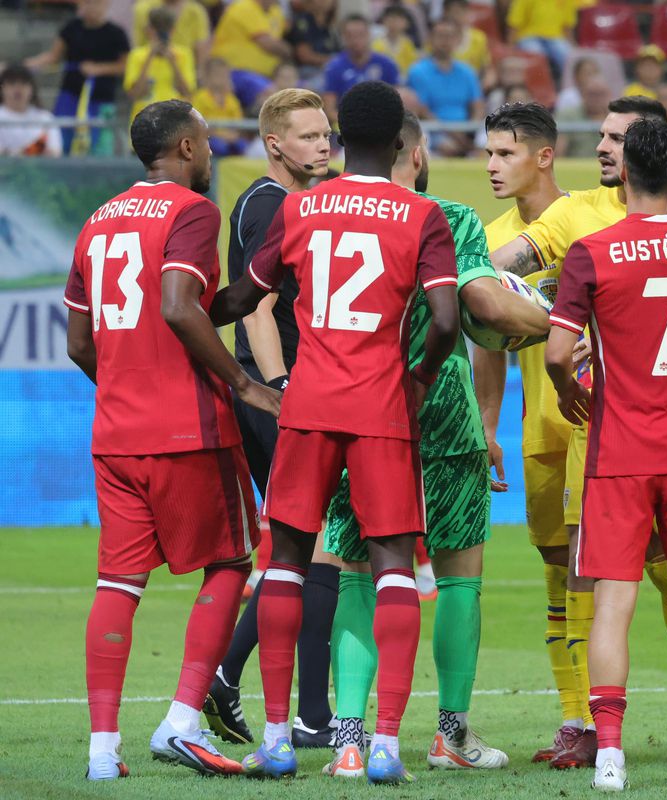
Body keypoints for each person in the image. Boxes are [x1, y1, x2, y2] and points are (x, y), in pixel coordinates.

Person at [208, 80, 459, 784]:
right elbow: (445, 321)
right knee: (393, 568)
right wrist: (415, 382)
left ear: (341, 134)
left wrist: (188, 315)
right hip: (381, 408)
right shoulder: (421, 215)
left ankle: (281, 738)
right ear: (402, 142)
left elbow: (243, 296)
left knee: (286, 560)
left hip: (310, 406)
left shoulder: (300, 208)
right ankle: (383, 745)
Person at [490, 95, 667, 771]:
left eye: (614, 141)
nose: (603, 149)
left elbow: (561, 353)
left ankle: (610, 754)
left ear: (629, 171)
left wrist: (574, 396)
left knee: (609, 599)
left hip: (617, 445)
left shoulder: (594, 249)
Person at [319, 109, 550, 779]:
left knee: (359, 574)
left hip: (351, 409)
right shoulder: (448, 217)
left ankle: (349, 740)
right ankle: (450, 733)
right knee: (457, 578)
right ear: (414, 155)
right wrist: (564, 324)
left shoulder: (321, 211)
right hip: (438, 410)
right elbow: (486, 309)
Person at [64, 98, 278, 781]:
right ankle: (182, 722)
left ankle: (102, 753)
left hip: (116, 431)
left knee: (117, 582)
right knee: (231, 564)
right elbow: (177, 307)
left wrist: (130, 377)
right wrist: (244, 386)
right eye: (208, 142)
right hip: (190, 429)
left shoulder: (96, 223)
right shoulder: (193, 211)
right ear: (185, 148)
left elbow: (79, 340)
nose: (211, 153)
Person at [201, 88, 341, 751]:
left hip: (280, 390)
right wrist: (279, 388)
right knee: (317, 547)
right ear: (275, 144)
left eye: (327, 134)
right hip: (273, 392)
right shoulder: (271, 205)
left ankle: (244, 684)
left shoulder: (288, 202)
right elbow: (255, 307)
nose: (323, 145)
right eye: (310, 136)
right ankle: (306, 712)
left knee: (300, 547)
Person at [478, 102, 579, 764]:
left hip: (604, 431)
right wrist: (488, 426)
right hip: (541, 429)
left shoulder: (591, 220)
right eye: (488, 154)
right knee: (555, 572)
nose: (491, 165)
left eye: (505, 153)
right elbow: (486, 344)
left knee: (656, 572)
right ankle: (578, 721)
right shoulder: (488, 238)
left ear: (544, 155)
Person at [24, 0, 129, 155]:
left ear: (105, 5)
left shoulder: (116, 33)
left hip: (101, 99)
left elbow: (124, 66)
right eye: (87, 3)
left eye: (95, 3)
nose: (91, 7)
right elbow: (53, 57)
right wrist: (22, 66)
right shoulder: (71, 28)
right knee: (62, 137)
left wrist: (98, 69)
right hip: (70, 95)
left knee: (97, 144)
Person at [406, 18, 484, 156]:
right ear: (431, 39)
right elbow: (422, 111)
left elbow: (477, 106)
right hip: (434, 130)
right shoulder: (418, 71)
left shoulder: (467, 72)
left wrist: (471, 131)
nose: (445, 41)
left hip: (466, 130)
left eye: (449, 36)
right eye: (440, 36)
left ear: (457, 39)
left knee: (488, 144)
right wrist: (457, 136)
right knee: (447, 146)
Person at [322, 15, 402, 126]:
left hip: (382, 125)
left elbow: (398, 102)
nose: (356, 40)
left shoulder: (387, 64)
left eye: (361, 35)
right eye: (350, 35)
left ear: (369, 35)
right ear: (343, 38)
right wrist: (356, 125)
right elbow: (329, 111)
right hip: (347, 127)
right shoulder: (334, 67)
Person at [210, 0, 290, 110]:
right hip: (234, 72)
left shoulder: (276, 12)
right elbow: (267, 43)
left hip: (266, 75)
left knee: (302, 91)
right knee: (271, 94)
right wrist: (288, 49)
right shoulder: (243, 7)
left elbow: (278, 41)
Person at [124, 7, 196, 122]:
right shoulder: (136, 55)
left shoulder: (184, 55)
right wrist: (149, 58)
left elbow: (186, 92)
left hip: (174, 120)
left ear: (172, 31)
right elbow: (135, 94)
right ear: (148, 30)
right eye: (158, 30)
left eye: (165, 31)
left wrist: (173, 62)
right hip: (145, 120)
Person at [0, 64, 62, 156]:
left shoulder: (45, 118)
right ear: (2, 88)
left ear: (32, 88)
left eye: (23, 83)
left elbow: (55, 153)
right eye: (12, 83)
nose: (18, 89)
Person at [506, 0, 575, 79]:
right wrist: (509, 48)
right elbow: (514, 23)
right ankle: (540, 88)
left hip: (556, 36)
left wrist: (572, 46)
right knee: (536, 55)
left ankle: (569, 88)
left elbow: (568, 26)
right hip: (529, 36)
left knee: (568, 56)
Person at [131, 0, 211, 67]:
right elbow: (138, 45)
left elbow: (201, 51)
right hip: (149, 69)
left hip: (185, 70)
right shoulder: (143, 8)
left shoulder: (196, 12)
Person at [191, 58, 245, 156]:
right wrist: (222, 135)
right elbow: (199, 124)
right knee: (220, 147)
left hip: (229, 137)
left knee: (241, 146)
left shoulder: (232, 99)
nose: (222, 78)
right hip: (209, 137)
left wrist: (232, 136)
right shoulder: (200, 97)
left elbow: (238, 124)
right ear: (208, 76)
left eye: (224, 75)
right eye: (217, 74)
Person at [557, 77, 615, 159]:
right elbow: (558, 154)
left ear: (610, 95)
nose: (597, 99)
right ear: (583, 95)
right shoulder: (568, 116)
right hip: (576, 169)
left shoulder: (618, 118)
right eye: (592, 94)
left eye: (601, 94)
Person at [443, 0, 494, 87]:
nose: (456, 17)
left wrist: (482, 86)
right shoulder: (439, 36)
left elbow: (488, 69)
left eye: (460, 12)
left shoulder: (479, 38)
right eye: (453, 12)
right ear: (445, 13)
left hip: (473, 86)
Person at [287, 0, 340, 75]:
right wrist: (334, 61)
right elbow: (305, 56)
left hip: (329, 68)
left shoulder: (331, 26)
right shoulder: (303, 21)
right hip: (308, 70)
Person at [372, 4, 423, 73]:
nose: (393, 24)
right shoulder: (376, 43)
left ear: (405, 23)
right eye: (390, 20)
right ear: (384, 21)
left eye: (397, 20)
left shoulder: (408, 44)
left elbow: (413, 66)